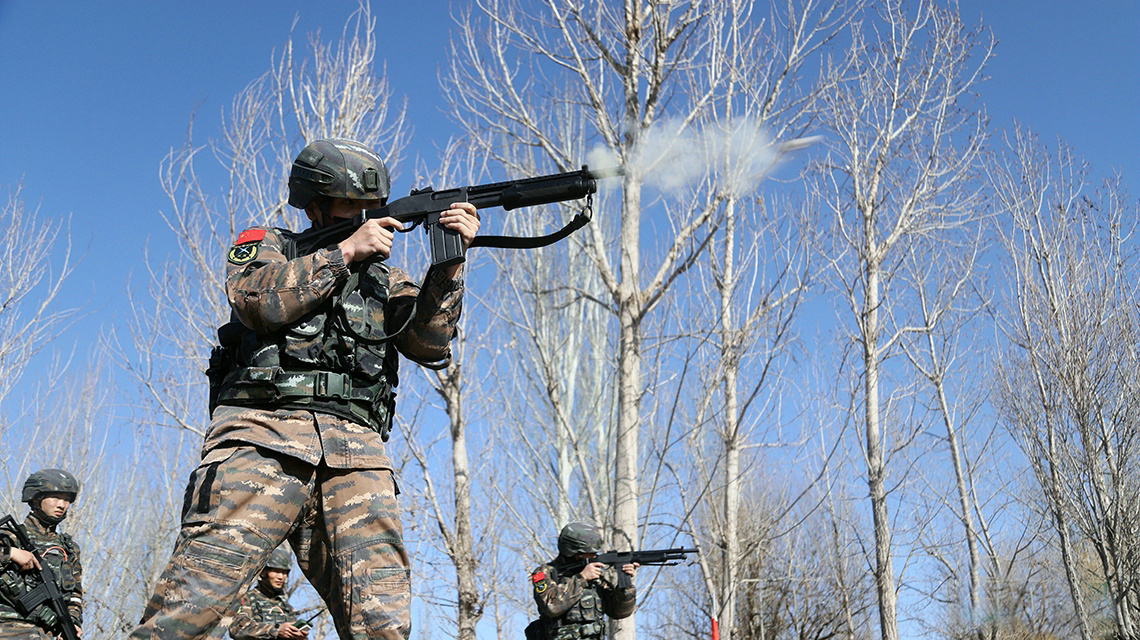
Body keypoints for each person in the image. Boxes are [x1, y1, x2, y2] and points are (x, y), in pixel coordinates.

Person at [131, 138, 480, 640]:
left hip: (357, 459)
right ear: (314, 203)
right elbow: (256, 302)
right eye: (350, 205)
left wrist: (450, 263)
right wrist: (343, 253)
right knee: (188, 613)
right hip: (261, 442)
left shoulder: (386, 279)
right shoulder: (269, 246)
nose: (364, 215)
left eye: (371, 207)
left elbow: (428, 344)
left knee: (383, 625)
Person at [0, 469, 82, 639]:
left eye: (67, 500)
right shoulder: (10, 536)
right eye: (56, 497)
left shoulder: (69, 549)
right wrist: (10, 553)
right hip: (9, 630)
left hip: (47, 634)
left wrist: (72, 622)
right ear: (36, 498)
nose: (62, 505)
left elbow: (74, 594)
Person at [527, 522, 637, 640]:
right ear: (574, 553)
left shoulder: (595, 578)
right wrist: (581, 579)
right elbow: (551, 606)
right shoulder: (545, 572)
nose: (595, 556)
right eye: (590, 552)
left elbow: (618, 612)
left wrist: (625, 586)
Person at [228, 547, 308, 640]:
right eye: (276, 571)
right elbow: (237, 628)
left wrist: (299, 635)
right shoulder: (246, 598)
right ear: (263, 572)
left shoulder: (286, 607)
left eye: (284, 572)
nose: (281, 577)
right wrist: (275, 630)